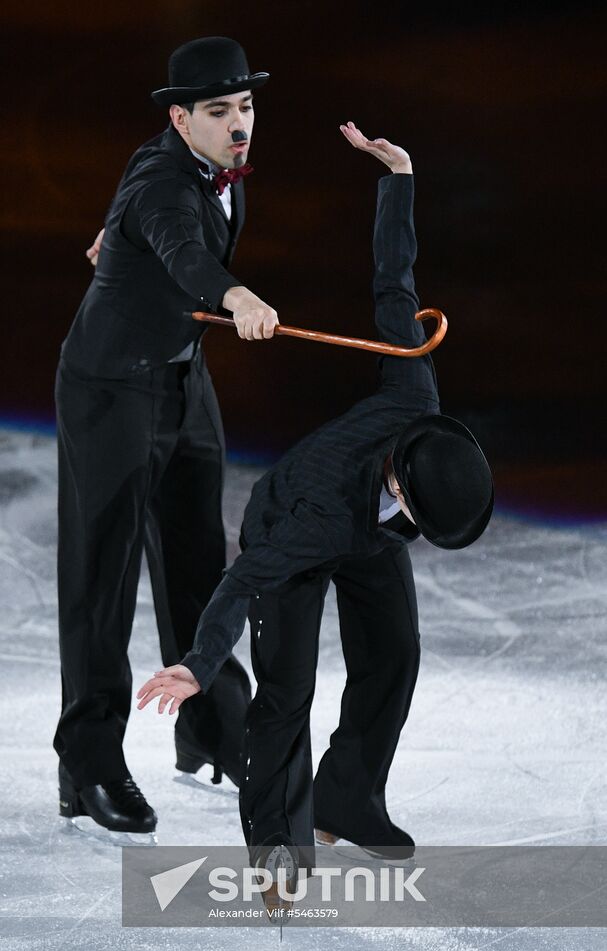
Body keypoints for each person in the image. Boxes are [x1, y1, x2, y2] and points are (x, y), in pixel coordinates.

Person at [136, 122, 494, 873]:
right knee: (286, 690)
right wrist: (200, 665)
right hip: (298, 523)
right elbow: (241, 580)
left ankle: (347, 799)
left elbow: (394, 281)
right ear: (402, 477)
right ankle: (275, 846)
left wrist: (397, 177)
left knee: (393, 652)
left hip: (368, 532)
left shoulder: (415, 391)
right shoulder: (315, 515)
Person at [55, 37, 279, 837]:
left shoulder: (195, 168)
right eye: (219, 112)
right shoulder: (161, 174)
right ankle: (88, 763)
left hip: (182, 378)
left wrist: (113, 237)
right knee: (101, 573)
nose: (238, 124)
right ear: (182, 118)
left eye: (245, 107)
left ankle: (213, 730)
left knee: (197, 561)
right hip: (110, 387)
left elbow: (155, 225)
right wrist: (235, 291)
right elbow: (182, 243)